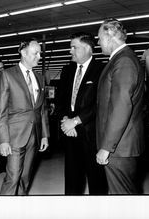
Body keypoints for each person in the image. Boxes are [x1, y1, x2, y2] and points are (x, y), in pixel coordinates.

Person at [0, 39, 49, 195]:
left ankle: (21, 208)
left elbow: (42, 109)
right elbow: (0, 111)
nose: (39, 56)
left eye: (40, 53)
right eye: (35, 53)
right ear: (23, 53)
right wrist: (3, 140)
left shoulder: (40, 78)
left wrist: (44, 135)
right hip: (14, 135)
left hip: (35, 135)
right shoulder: (6, 75)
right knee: (13, 178)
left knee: (25, 177)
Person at [96, 18, 145, 194]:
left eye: (100, 37)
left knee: (121, 196)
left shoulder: (123, 61)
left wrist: (106, 147)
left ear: (109, 37)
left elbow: (121, 106)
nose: (98, 42)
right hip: (122, 145)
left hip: (119, 147)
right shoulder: (122, 59)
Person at [59, 32, 107, 195]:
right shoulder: (66, 70)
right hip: (70, 133)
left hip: (91, 135)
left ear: (87, 48)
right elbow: (61, 100)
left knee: (97, 180)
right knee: (72, 180)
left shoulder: (102, 70)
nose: (70, 51)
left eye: (74, 47)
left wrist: (76, 120)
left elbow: (101, 103)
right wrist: (66, 120)